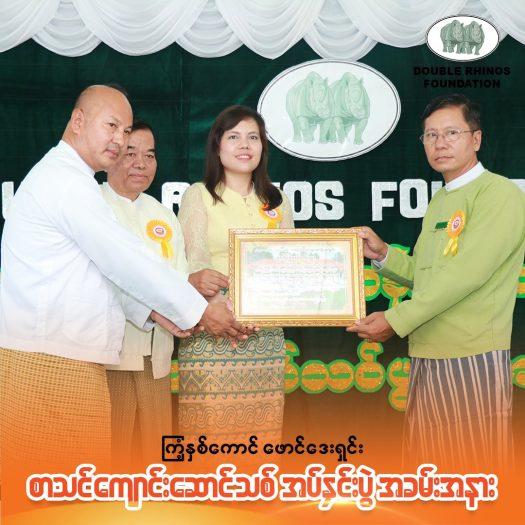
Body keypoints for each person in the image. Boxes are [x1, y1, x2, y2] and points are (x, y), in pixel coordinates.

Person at [0, 85, 243, 483]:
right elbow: (123, 260)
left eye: (125, 130)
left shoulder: (72, 179)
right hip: (47, 362)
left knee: (70, 489)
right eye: (111, 126)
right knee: (54, 492)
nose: (119, 139)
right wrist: (200, 310)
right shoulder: (65, 181)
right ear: (78, 121)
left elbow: (100, 271)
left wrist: (158, 314)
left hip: (63, 356)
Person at [347, 94, 525, 472]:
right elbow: (427, 275)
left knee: (474, 475)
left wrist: (395, 319)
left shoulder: (499, 194)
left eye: (451, 133)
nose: (440, 143)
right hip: (427, 353)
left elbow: (466, 274)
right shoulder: (442, 199)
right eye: (431, 135)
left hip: (471, 355)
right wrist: (382, 254)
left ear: (476, 139)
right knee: (430, 472)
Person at [102, 119, 229, 468]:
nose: (141, 163)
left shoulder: (162, 214)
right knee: (112, 457)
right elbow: (104, 278)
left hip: (157, 355)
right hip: (110, 355)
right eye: (130, 153)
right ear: (110, 155)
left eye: (150, 155)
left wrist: (196, 297)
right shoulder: (93, 206)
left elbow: (177, 280)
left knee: (157, 457)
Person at [177, 105, 294, 447]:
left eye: (253, 138)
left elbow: (292, 265)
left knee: (262, 439)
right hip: (213, 329)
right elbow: (194, 261)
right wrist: (218, 308)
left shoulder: (278, 201)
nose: (245, 145)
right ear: (217, 146)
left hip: (265, 336)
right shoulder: (199, 194)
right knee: (209, 440)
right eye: (234, 137)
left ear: (262, 147)